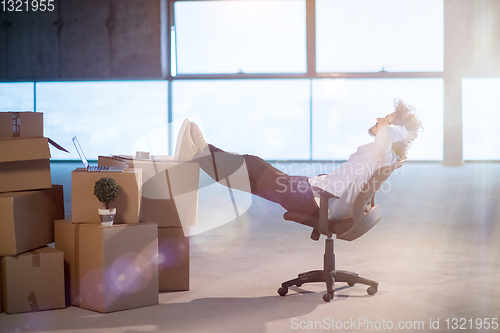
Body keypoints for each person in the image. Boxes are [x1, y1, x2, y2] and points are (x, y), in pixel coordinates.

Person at [174, 98, 422, 220]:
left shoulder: (385, 153)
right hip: (315, 191)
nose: (380, 119)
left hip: (317, 201)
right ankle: (201, 153)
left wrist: (405, 131)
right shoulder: (384, 154)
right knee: (248, 176)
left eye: (386, 119)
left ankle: (199, 154)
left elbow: (389, 133)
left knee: (253, 165)